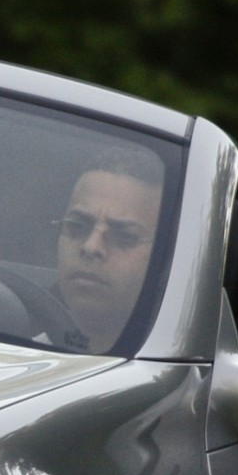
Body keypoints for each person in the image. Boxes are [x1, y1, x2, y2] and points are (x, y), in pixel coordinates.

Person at [54, 146, 164, 353]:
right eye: (77, 226)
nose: (91, 246)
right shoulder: (7, 334)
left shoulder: (178, 369)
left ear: (165, 255)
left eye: (125, 237)